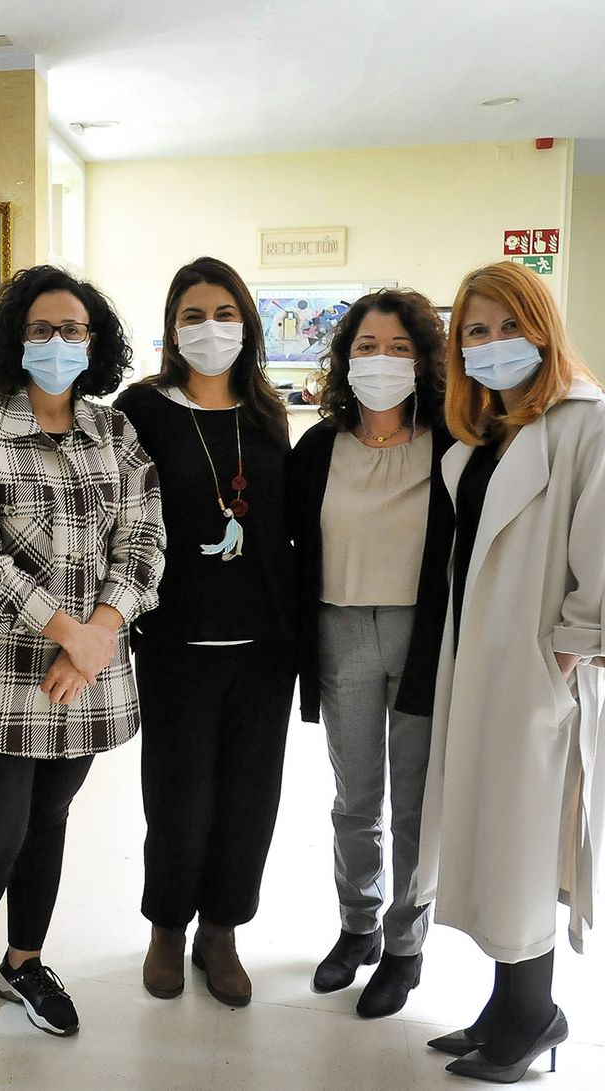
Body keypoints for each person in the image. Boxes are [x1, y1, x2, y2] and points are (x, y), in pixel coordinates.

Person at [0, 266, 165, 1038]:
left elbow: (142, 542)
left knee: (49, 821)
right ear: (15, 340)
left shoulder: (117, 433)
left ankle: (22, 961)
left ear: (93, 343)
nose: (58, 341)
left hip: (87, 679)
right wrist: (79, 636)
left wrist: (99, 635)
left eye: (73, 329)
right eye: (41, 328)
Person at [417, 261, 604, 1082]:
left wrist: (569, 645)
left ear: (543, 327)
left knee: (525, 842)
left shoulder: (584, 423)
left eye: (507, 326)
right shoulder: (492, 432)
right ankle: (506, 1004)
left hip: (538, 665)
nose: (492, 344)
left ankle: (533, 1017)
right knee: (490, 830)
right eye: (475, 332)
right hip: (483, 655)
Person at [112, 257, 296, 1008]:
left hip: (264, 645)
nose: (210, 327)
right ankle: (167, 925)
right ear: (171, 328)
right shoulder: (142, 410)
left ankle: (221, 929)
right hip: (176, 642)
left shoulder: (266, 413)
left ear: (247, 324)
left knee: (250, 795)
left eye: (225, 312)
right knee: (179, 794)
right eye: (193, 314)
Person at [286, 289, 454, 1019]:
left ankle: (406, 945)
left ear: (420, 359)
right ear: (343, 357)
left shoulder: (451, 440)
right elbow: (289, 544)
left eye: (396, 347)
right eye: (365, 346)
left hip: (425, 635)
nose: (380, 361)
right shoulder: (320, 445)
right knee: (356, 800)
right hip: (340, 631)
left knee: (416, 803)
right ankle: (357, 926)